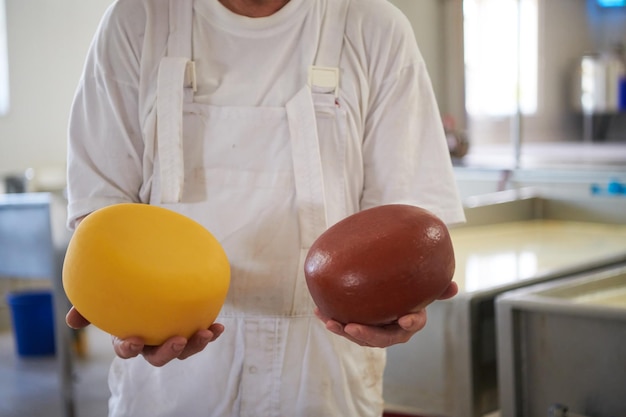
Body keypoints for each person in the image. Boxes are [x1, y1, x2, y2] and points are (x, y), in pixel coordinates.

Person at [65, 0, 466, 416]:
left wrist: (397, 304)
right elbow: (101, 213)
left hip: (323, 371)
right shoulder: (138, 19)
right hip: (168, 380)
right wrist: (114, 305)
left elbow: (404, 229)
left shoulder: (374, 26)